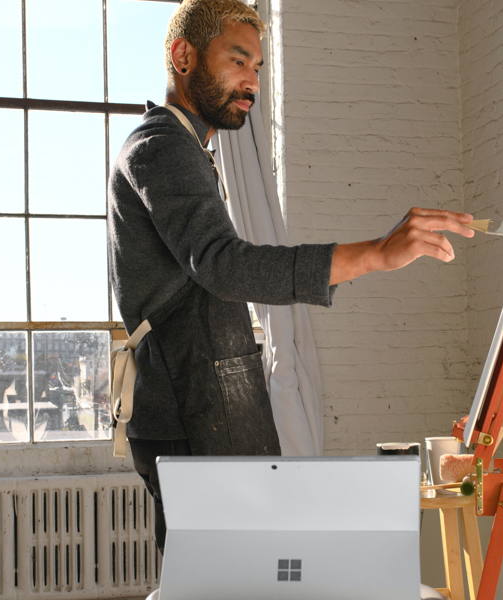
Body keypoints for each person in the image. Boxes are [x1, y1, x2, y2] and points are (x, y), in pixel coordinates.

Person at [106, 0, 473, 553]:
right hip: (194, 406)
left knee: (238, 577)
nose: (251, 82)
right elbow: (224, 264)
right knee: (222, 583)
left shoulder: (187, 148)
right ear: (183, 56)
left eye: (257, 68)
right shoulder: (161, 147)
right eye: (237, 61)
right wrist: (376, 253)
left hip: (210, 403)